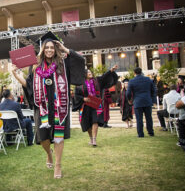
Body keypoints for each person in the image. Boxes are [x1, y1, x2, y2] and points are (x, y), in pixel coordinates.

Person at [11, 31, 85, 179]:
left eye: (52, 47)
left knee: (58, 137)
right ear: (42, 49)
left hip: (60, 106)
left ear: (55, 49)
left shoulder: (63, 64)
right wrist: (15, 74)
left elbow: (80, 60)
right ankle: (48, 153)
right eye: (47, 48)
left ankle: (58, 165)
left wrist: (65, 49)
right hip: (42, 106)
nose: (50, 50)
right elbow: (29, 85)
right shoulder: (36, 66)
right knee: (43, 138)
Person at [74, 68, 118, 146]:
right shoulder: (80, 84)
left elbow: (104, 76)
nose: (90, 73)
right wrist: (83, 98)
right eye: (88, 72)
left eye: (90, 72)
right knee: (87, 123)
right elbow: (76, 95)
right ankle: (91, 138)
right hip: (85, 105)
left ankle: (94, 139)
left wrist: (111, 70)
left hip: (95, 104)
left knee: (95, 121)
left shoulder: (96, 81)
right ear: (84, 74)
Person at [127, 67, 156, 137]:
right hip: (147, 100)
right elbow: (153, 90)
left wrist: (129, 100)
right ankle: (150, 132)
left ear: (134, 73)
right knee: (149, 117)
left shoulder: (132, 81)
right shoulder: (148, 79)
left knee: (139, 119)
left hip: (137, 101)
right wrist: (152, 99)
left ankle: (140, 133)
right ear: (141, 72)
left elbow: (128, 93)